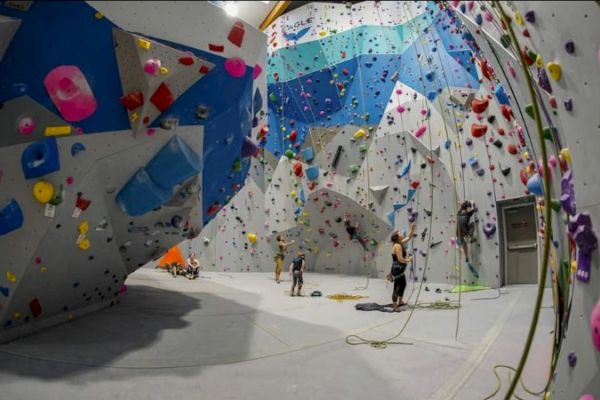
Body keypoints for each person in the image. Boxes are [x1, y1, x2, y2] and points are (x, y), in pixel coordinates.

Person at [390, 224, 415, 311]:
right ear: (397, 237)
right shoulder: (397, 246)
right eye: (399, 233)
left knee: (403, 284)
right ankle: (394, 305)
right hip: (397, 270)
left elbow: (409, 237)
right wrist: (409, 259)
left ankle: (400, 301)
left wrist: (412, 229)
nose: (401, 234)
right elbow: (400, 259)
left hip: (400, 270)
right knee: (397, 287)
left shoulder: (399, 243)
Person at [457, 201, 477, 265]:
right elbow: (475, 210)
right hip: (465, 231)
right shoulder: (468, 213)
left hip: (458, 233)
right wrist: (473, 205)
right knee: (472, 224)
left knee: (464, 244)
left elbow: (460, 210)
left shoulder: (458, 214)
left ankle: (466, 257)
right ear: (467, 208)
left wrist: (461, 206)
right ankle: (471, 237)